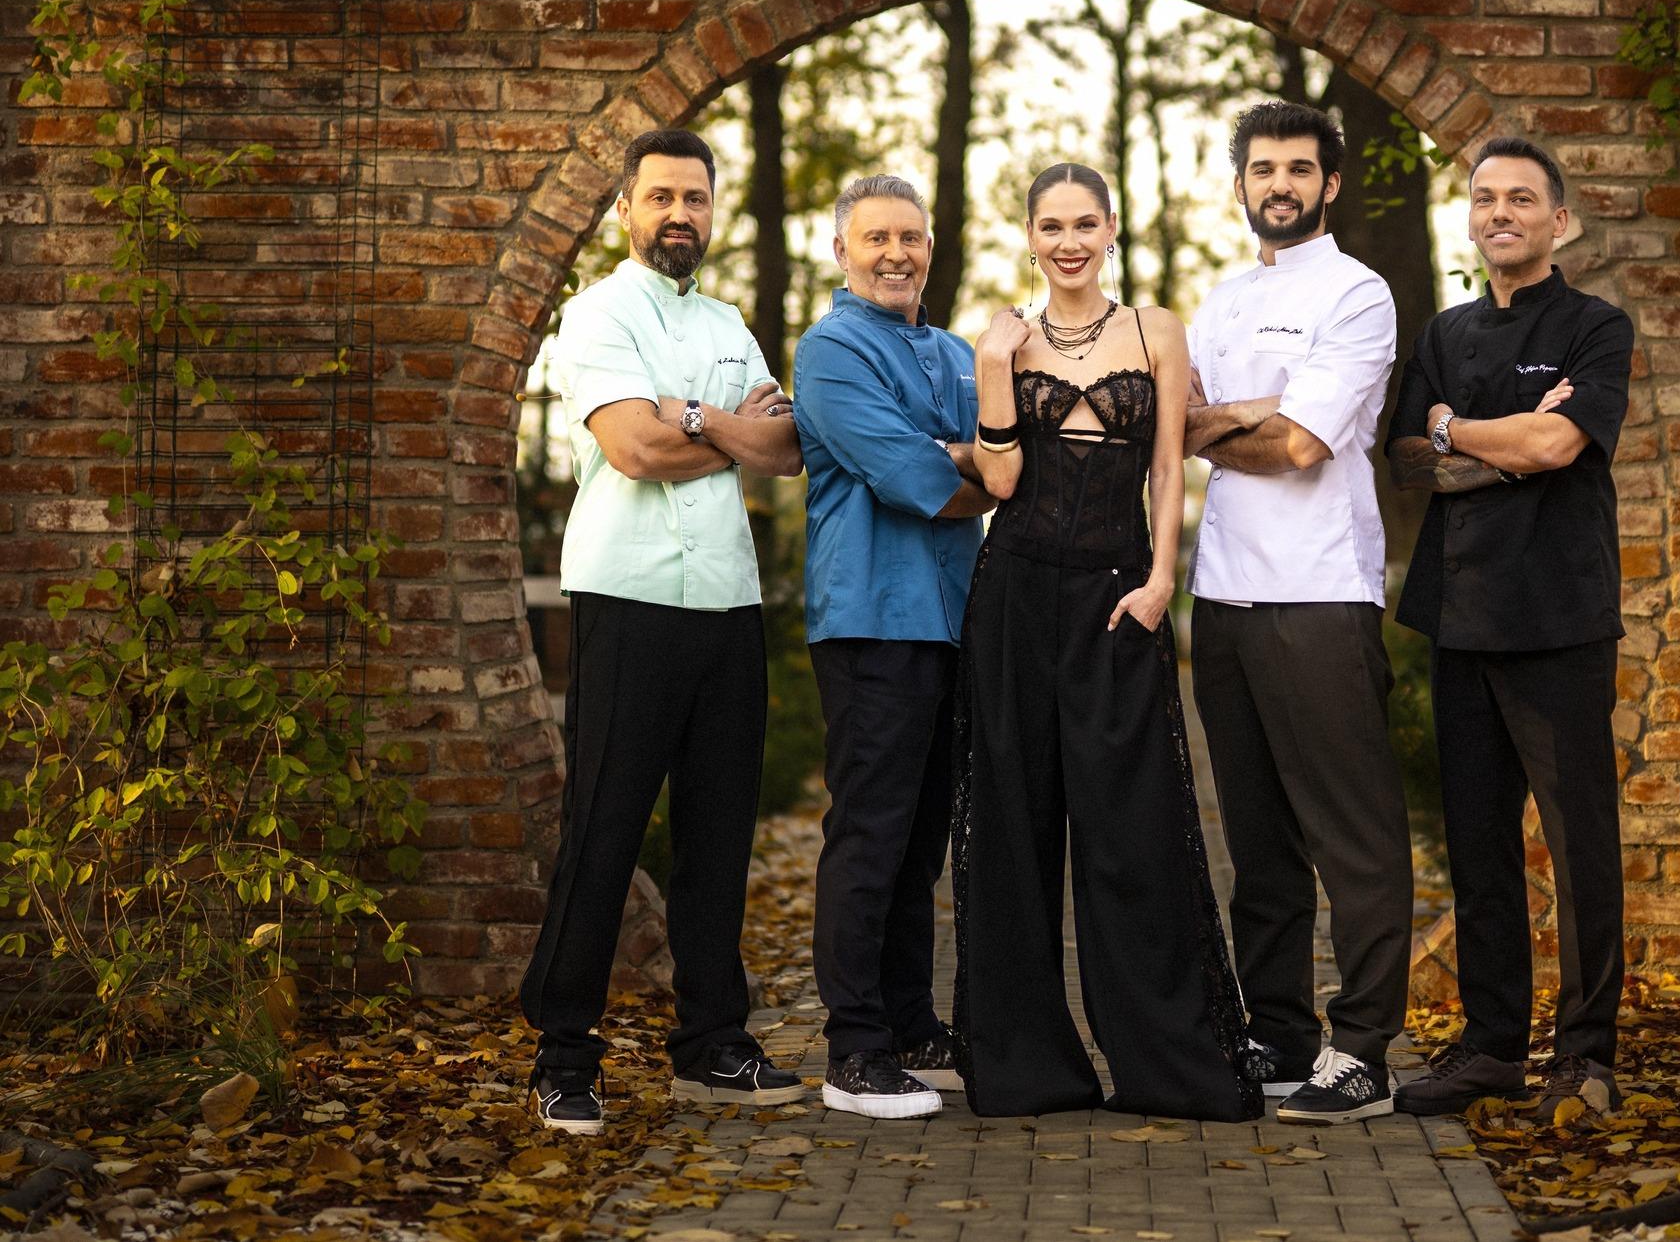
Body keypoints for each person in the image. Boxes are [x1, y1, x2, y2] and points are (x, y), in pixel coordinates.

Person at [952, 162, 1261, 1123]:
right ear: (1030, 236)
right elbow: (1001, 482)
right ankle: (1026, 1068)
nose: (1068, 242)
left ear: (1111, 227)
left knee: (1133, 828)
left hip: (1121, 597)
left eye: (1084, 224)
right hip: (1015, 594)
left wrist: (1163, 579)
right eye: (1051, 226)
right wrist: (994, 369)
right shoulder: (1004, 336)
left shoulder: (1154, 329)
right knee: (1013, 825)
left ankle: (1166, 1065)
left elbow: (1168, 466)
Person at [520, 128, 807, 1135]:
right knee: (603, 828)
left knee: (718, 837)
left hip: (727, 600)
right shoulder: (597, 313)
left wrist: (697, 418)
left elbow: (786, 446)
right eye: (661, 196)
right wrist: (723, 426)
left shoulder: (729, 322)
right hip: (628, 594)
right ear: (626, 209)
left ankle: (712, 1043)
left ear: (712, 210)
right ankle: (564, 1054)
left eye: (695, 197)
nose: (679, 213)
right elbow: (635, 448)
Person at [1383, 136, 1634, 1120]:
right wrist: (1499, 444)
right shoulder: (1445, 334)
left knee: (1579, 848)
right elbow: (1409, 458)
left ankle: (1586, 1055)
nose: (1500, 212)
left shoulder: (1595, 326)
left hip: (1559, 618)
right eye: (1485, 198)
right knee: (1478, 845)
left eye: (1521, 198)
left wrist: (1460, 431)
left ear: (1558, 221)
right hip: (1461, 617)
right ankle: (1490, 1048)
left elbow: (1557, 442)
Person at [1179, 101, 1412, 1124]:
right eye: (1263, 168)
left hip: (1318, 594)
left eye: (1299, 168)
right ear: (1240, 184)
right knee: (1259, 840)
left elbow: (1302, 446)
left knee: (1351, 835)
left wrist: (1220, 425)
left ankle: (1361, 1050)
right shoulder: (1222, 302)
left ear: (1330, 184)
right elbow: (1178, 421)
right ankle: (1277, 1034)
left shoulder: (1357, 294)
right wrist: (1241, 415)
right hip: (1223, 597)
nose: (1280, 184)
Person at [793, 175, 994, 1120]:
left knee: (920, 842)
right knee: (870, 836)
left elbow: (1012, 458)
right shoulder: (831, 349)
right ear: (842, 252)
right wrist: (964, 460)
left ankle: (912, 1025)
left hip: (954, 622)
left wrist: (970, 458)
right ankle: (855, 1049)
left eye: (910, 237)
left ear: (929, 247)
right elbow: (925, 481)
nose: (895, 254)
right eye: (875, 238)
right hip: (872, 618)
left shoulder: (954, 352)